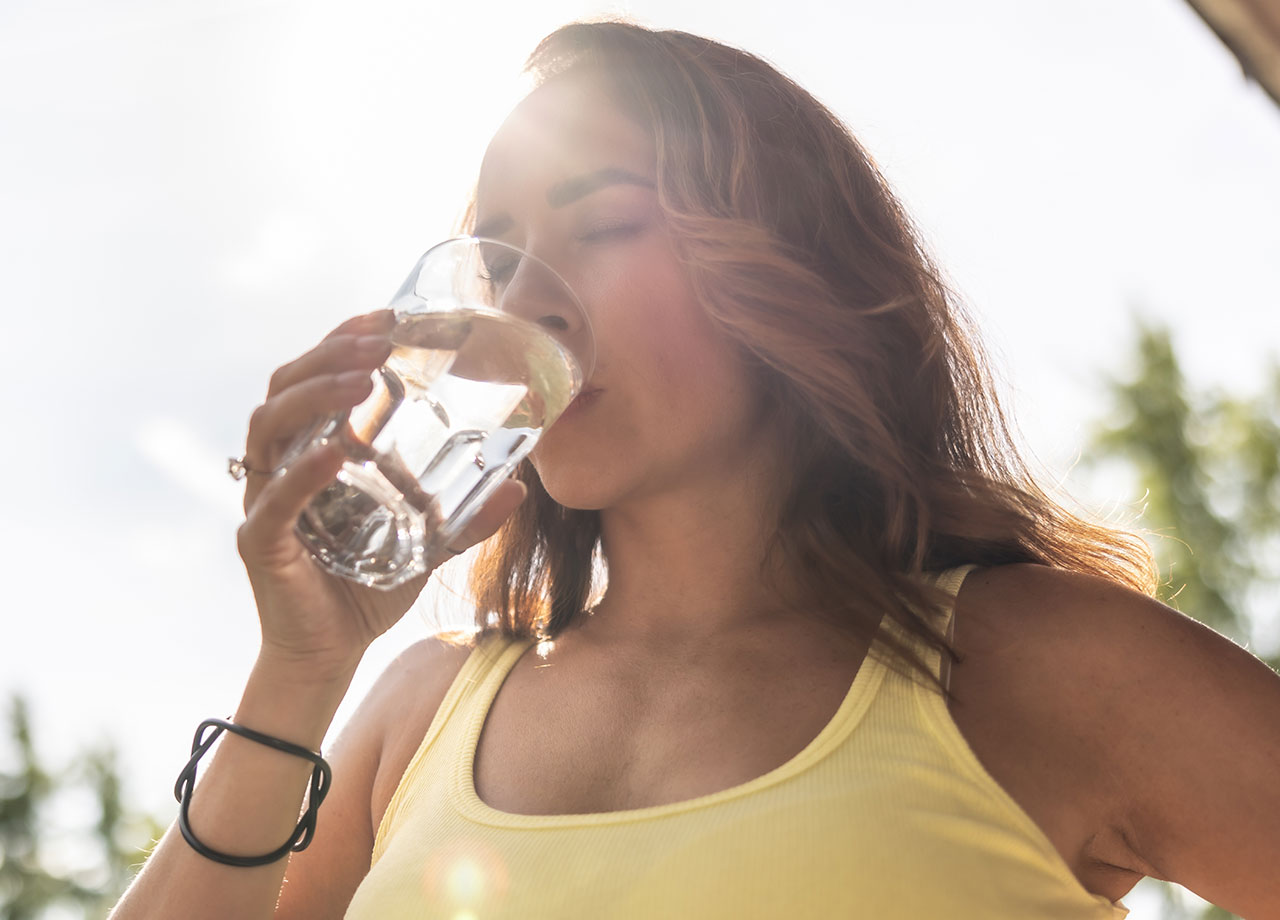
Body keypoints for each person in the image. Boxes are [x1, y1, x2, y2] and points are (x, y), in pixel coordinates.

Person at [111, 20, 1280, 920]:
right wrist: (299, 671)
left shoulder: (1044, 667)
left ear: (793, 267)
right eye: (500, 256)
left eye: (606, 224)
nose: (525, 305)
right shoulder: (419, 711)